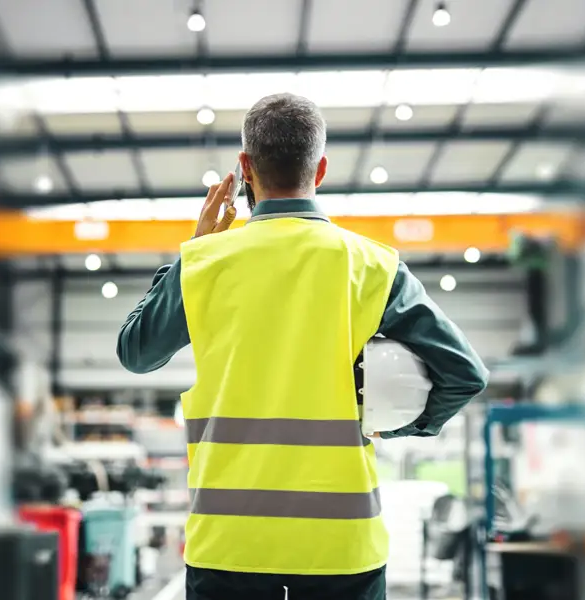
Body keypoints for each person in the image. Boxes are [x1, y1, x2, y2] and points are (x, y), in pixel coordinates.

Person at [117, 93, 488, 600]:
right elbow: (467, 374)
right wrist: (395, 422)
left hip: (231, 544)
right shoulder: (372, 266)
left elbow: (135, 352)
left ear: (244, 168)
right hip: (342, 545)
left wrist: (192, 254)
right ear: (321, 170)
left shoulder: (207, 265)